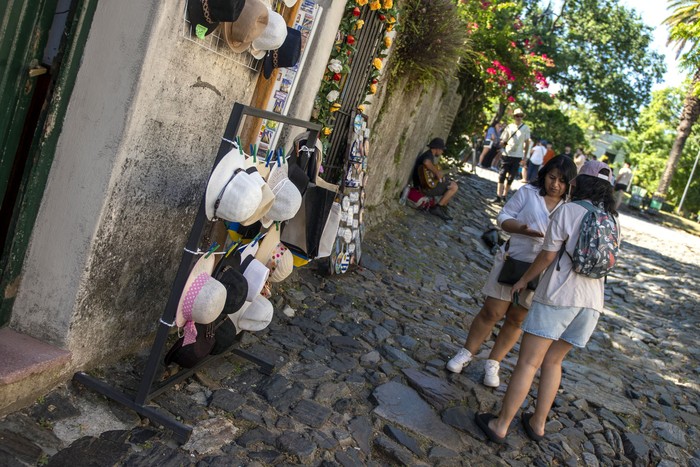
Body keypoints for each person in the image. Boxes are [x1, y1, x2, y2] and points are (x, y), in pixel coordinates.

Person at [475, 160, 619, 444]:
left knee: (528, 362)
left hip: (559, 297)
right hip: (591, 305)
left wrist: (522, 280)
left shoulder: (569, 210)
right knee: (554, 361)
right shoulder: (613, 220)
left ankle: (500, 425)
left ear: (580, 183)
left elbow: (547, 256)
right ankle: (538, 424)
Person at [447, 156, 578, 387]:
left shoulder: (570, 209)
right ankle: (467, 352)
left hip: (542, 271)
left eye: (562, 181)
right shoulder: (528, 193)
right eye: (552, 177)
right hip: (513, 259)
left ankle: (493, 362)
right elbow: (504, 217)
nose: (555, 184)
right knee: (491, 311)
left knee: (517, 319)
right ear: (544, 174)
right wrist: (521, 229)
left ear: (569, 184)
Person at [412, 137, 459, 220]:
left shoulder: (429, 155)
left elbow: (429, 174)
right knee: (454, 187)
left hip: (424, 185)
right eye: (441, 149)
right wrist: (436, 172)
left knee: (451, 183)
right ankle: (437, 208)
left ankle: (442, 208)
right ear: (437, 148)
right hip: (424, 188)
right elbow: (426, 162)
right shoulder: (428, 155)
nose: (442, 151)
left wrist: (440, 177)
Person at [495, 109, 531, 203]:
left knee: (511, 177)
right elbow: (503, 139)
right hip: (507, 153)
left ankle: (504, 195)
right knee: (502, 174)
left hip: (517, 155)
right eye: (517, 116)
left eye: (520, 116)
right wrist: (501, 145)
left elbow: (527, 142)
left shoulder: (525, 128)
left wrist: (525, 157)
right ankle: (498, 195)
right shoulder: (509, 127)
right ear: (514, 117)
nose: (519, 118)